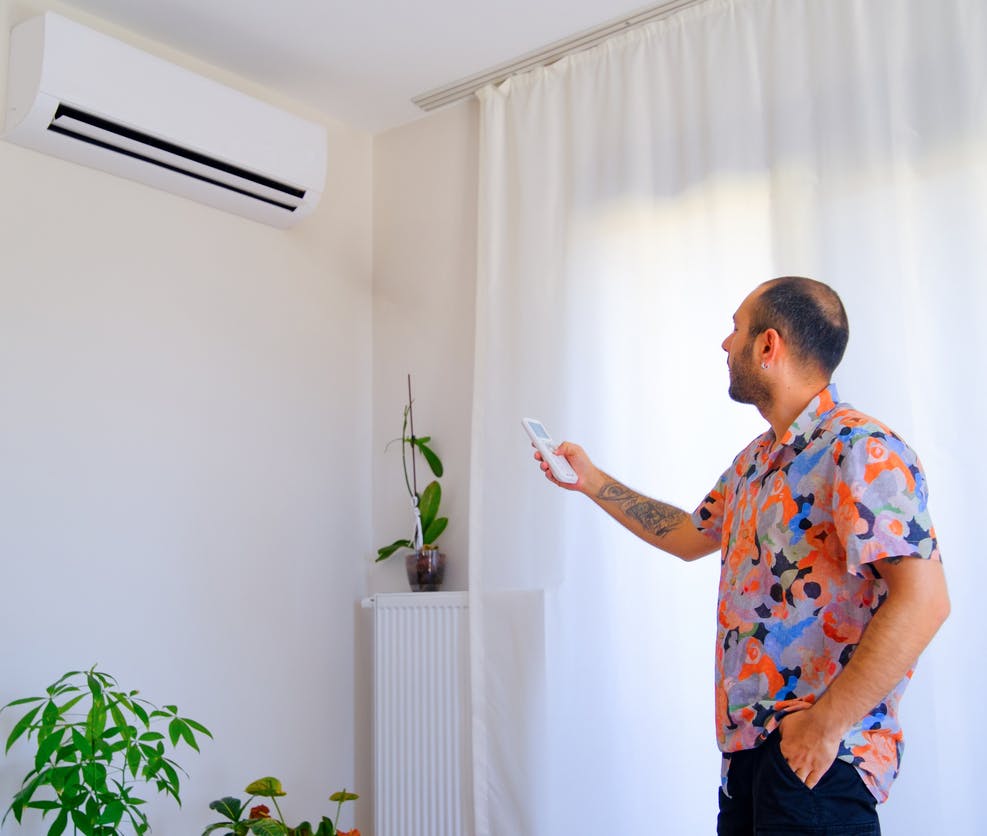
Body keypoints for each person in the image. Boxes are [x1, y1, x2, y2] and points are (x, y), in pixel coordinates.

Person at [534, 277, 949, 836]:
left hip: (819, 764)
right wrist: (590, 481)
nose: (726, 345)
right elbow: (685, 535)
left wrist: (824, 727)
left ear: (768, 345)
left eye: (735, 329)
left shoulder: (863, 450)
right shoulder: (756, 463)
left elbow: (924, 602)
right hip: (750, 759)